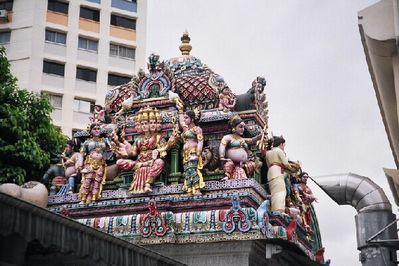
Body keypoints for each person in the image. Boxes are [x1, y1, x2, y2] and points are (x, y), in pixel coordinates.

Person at [116, 107, 167, 193]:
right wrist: (127, 149)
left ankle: (148, 183)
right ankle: (143, 166)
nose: (144, 126)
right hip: (140, 162)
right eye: (142, 124)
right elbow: (133, 153)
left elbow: (163, 152)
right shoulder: (138, 139)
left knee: (160, 162)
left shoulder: (158, 137)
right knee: (119, 162)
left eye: (146, 123)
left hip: (152, 162)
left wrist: (158, 151)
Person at [219, 115, 261, 180]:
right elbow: (222, 147)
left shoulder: (242, 139)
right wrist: (222, 157)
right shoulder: (228, 137)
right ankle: (227, 176)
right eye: (240, 127)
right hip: (231, 163)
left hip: (243, 165)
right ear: (234, 128)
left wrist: (259, 136)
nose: (243, 129)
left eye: (243, 127)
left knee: (252, 164)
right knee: (229, 164)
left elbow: (252, 140)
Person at [265, 136, 299, 213]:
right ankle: (279, 210)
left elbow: (268, 165)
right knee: (280, 191)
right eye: (284, 145)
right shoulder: (279, 151)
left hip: (270, 172)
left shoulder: (268, 153)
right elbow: (286, 164)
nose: (283, 147)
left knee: (274, 193)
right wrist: (292, 169)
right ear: (281, 144)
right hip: (277, 172)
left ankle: (274, 209)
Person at [79, 123, 108, 203]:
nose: (97, 130)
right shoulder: (87, 142)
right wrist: (80, 165)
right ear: (91, 131)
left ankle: (94, 198)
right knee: (87, 180)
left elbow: (109, 151)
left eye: (98, 129)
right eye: (94, 129)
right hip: (90, 163)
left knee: (97, 181)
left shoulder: (104, 141)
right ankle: (83, 198)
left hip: (100, 163)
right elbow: (81, 154)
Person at [178, 108, 205, 195]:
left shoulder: (197, 129)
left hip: (193, 151)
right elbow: (181, 121)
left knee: (192, 170)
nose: (184, 120)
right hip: (186, 153)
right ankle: (189, 189)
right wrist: (180, 111)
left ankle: (197, 188)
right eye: (184, 118)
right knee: (187, 171)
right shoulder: (185, 130)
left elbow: (200, 141)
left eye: (186, 118)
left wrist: (198, 152)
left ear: (192, 119)